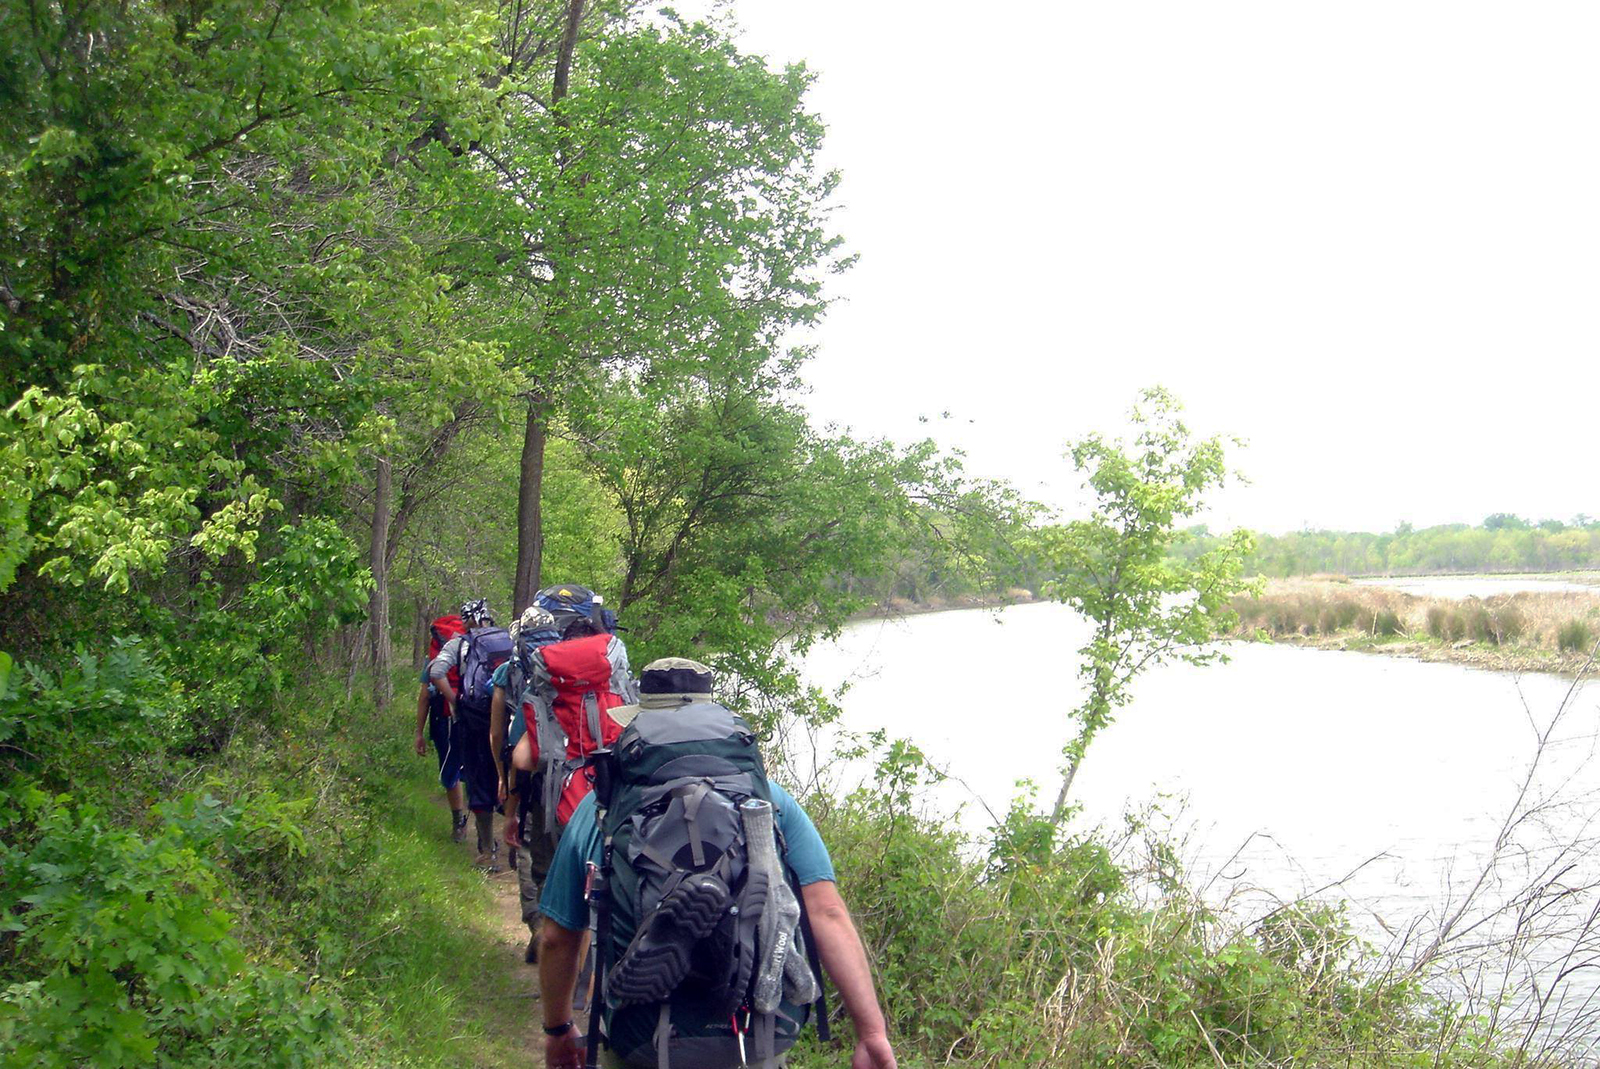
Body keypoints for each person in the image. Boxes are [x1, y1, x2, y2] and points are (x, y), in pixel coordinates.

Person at [536, 658, 898, 1069]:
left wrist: (558, 1029)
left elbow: (558, 937)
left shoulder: (602, 807)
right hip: (757, 1031)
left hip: (644, 1037)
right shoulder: (770, 802)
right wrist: (871, 1033)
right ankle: (732, 948)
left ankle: (671, 938)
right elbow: (826, 912)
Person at [489, 605, 565, 962]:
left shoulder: (511, 672)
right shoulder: (568, 673)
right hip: (576, 782)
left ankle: (539, 924)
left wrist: (506, 790)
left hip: (535, 782)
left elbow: (499, 736)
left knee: (529, 850)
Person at [428, 597, 506, 866]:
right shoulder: (508, 639)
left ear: (466, 620)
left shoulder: (459, 642)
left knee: (477, 778)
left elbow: (436, 670)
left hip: (473, 720)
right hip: (507, 717)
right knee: (510, 774)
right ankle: (519, 847)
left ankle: (487, 852)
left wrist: (454, 700)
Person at [414, 609, 469, 841]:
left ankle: (459, 822)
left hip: (443, 716)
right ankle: (482, 818)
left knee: (450, 768)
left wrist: (419, 733)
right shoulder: (474, 649)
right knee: (475, 765)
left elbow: (425, 696)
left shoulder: (434, 656)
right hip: (473, 713)